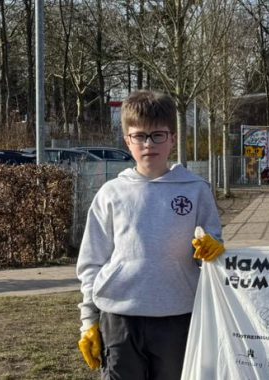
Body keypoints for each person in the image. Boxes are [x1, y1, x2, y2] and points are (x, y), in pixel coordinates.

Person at [75, 90, 226, 379]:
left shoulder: (196, 189)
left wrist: (213, 249)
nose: (148, 144)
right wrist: (88, 321)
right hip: (119, 318)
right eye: (139, 136)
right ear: (126, 140)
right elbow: (91, 263)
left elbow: (213, 251)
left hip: (178, 317)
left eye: (157, 135)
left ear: (173, 138)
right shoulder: (111, 194)